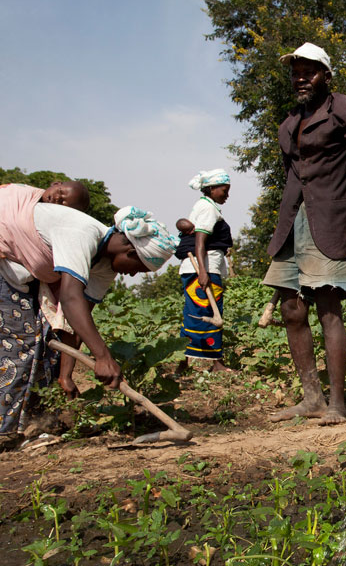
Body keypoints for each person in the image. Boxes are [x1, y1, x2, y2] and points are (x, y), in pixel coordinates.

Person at [0, 187, 177, 433]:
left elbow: (76, 321)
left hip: (16, 270)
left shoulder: (105, 266)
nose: (133, 274)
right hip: (4, 257)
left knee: (45, 341)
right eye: (138, 268)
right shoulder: (81, 233)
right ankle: (7, 432)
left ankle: (35, 424)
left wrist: (66, 375)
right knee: (23, 341)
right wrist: (103, 357)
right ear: (129, 250)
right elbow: (70, 299)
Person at [263, 42, 346, 425]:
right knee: (291, 309)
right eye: (295, 72)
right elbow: (294, 176)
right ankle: (311, 397)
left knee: (329, 308)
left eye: (308, 71)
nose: (300, 78)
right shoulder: (289, 121)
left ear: (326, 75)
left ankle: (337, 404)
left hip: (330, 219)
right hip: (294, 219)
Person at [176, 169, 233, 373]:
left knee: (199, 312)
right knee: (202, 312)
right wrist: (202, 270)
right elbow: (200, 239)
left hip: (202, 268)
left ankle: (190, 362)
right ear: (211, 189)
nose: (227, 195)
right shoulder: (207, 209)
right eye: (224, 190)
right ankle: (202, 363)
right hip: (203, 268)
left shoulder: (206, 206)